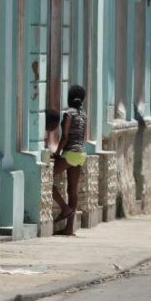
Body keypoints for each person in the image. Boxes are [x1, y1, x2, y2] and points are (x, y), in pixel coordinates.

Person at [52, 85, 88, 234]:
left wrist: (57, 152)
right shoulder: (83, 114)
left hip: (70, 154)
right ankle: (69, 229)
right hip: (81, 154)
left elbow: (65, 135)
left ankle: (65, 208)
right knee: (72, 191)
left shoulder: (69, 113)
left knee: (47, 179)